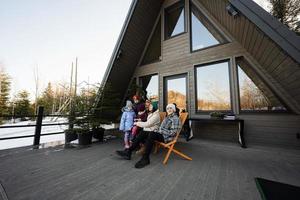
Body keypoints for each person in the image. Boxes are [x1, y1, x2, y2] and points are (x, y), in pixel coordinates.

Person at [116, 103, 181, 168]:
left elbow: (173, 133)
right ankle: (129, 152)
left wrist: (160, 130)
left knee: (152, 134)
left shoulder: (175, 118)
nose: (169, 110)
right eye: (168, 108)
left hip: (167, 137)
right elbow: (161, 127)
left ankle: (146, 158)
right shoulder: (167, 117)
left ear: (174, 110)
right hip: (161, 134)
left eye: (171, 108)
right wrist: (159, 130)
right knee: (143, 132)